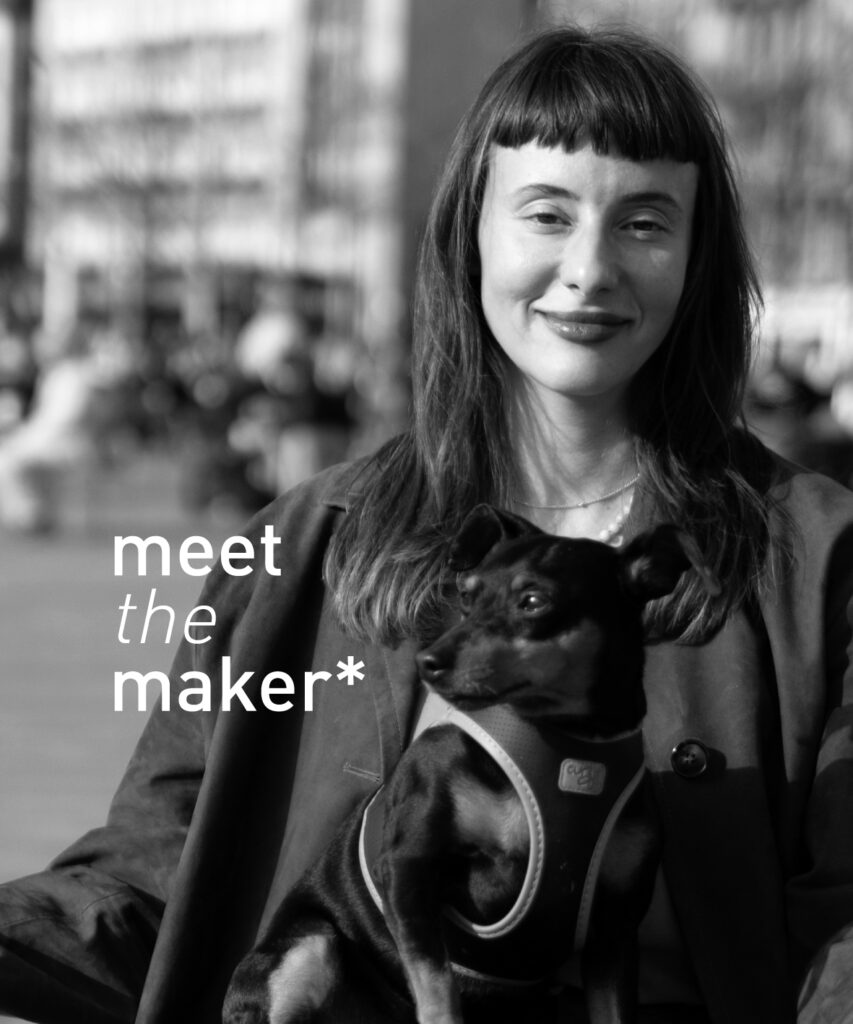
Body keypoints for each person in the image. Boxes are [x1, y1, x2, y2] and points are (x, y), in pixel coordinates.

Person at [1, 24, 852, 1024]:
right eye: (545, 214)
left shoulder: (814, 555)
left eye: (644, 222)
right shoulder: (311, 541)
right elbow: (158, 872)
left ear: (696, 256)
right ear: (470, 234)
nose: (588, 268)